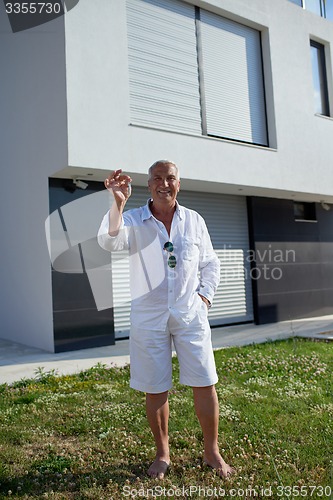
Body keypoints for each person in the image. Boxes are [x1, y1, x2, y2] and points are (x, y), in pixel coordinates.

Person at [97, 160, 234, 479]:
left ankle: (212, 452)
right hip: (149, 317)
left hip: (190, 315)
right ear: (149, 185)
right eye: (157, 178)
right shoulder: (132, 220)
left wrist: (205, 297)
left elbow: (210, 263)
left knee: (205, 381)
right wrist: (117, 202)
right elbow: (108, 241)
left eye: (170, 178)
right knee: (155, 387)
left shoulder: (194, 221)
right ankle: (162, 454)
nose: (164, 183)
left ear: (178, 184)